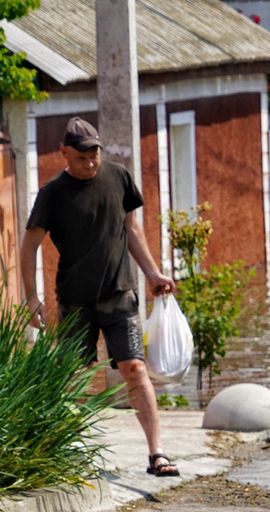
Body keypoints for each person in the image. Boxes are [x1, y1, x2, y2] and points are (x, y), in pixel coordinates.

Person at [21, 117, 181, 478]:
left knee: (135, 368)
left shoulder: (118, 176)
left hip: (119, 292)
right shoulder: (52, 194)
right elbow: (29, 245)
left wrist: (153, 273)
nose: (90, 162)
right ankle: (61, 451)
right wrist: (32, 298)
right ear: (64, 154)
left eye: (94, 154)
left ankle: (157, 453)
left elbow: (131, 228)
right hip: (75, 299)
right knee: (70, 375)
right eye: (81, 157)